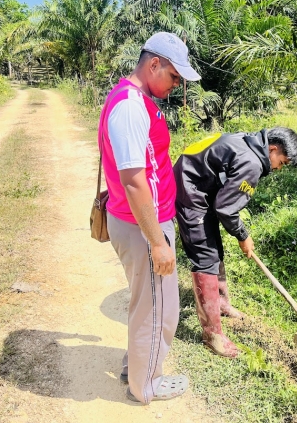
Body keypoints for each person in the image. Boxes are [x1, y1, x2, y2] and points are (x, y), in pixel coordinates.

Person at [98, 32, 201, 403]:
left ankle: (136, 367)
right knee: (160, 311)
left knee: (148, 305)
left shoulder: (134, 99)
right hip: (143, 227)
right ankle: (145, 387)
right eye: (174, 77)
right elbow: (134, 179)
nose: (176, 86)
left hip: (139, 223)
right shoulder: (129, 105)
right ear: (153, 63)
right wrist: (158, 241)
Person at [174, 127, 297, 358]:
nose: (277, 169)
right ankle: (212, 335)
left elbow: (223, 202)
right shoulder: (251, 163)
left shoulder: (249, 141)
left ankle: (220, 304)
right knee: (205, 257)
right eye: (281, 163)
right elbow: (226, 208)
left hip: (202, 188)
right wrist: (243, 236)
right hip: (190, 192)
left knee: (215, 249)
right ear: (272, 149)